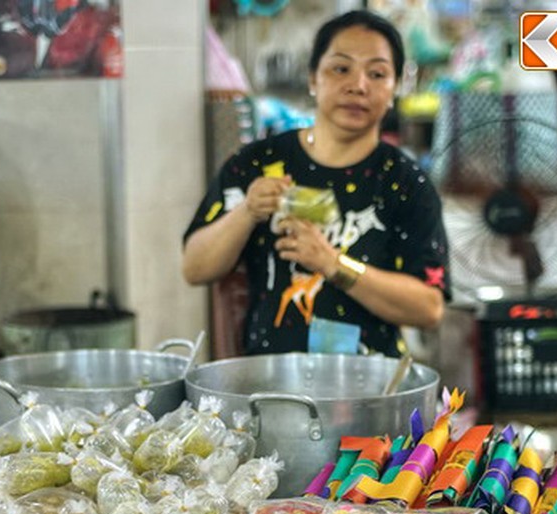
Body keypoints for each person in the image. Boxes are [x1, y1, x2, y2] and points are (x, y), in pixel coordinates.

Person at [182, 10, 449, 357]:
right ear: (313, 78)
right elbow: (195, 267)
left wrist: (333, 263)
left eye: (377, 73)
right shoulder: (257, 164)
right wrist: (247, 211)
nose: (358, 85)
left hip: (370, 387)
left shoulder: (406, 182)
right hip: (268, 383)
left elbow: (429, 309)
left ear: (394, 88)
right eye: (341, 68)